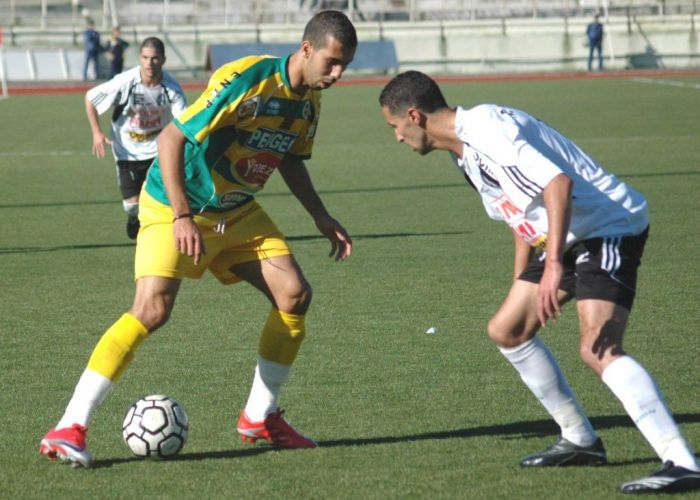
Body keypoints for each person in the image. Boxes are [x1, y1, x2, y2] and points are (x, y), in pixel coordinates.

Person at [39, 10, 356, 467]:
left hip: (236, 210)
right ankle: (69, 426)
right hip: (174, 203)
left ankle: (259, 417)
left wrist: (321, 216)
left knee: (295, 294)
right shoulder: (247, 79)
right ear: (307, 49)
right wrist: (183, 216)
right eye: (332, 62)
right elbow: (171, 140)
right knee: (152, 309)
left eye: (344, 65)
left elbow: (289, 158)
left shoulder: (309, 101)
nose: (338, 74)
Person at [378, 70, 700, 494]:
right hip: (562, 235)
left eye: (394, 127)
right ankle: (580, 440)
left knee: (597, 347)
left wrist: (550, 269)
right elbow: (520, 211)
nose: (397, 137)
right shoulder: (463, 152)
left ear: (414, 116)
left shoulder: (486, 129)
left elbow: (556, 183)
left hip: (607, 226)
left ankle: (681, 462)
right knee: (507, 330)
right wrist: (521, 279)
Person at [84, 37, 186, 239]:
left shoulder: (172, 88)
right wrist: (97, 132)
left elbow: (183, 122)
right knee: (132, 206)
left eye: (155, 58)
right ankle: (134, 218)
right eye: (145, 58)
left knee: (163, 198)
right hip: (127, 152)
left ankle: (156, 235)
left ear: (163, 60)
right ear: (140, 58)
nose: (149, 63)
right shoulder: (125, 82)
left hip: (158, 152)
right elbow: (90, 98)